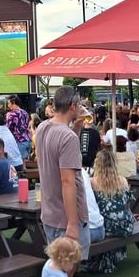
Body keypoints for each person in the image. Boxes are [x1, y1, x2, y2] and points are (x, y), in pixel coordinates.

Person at [34, 87, 89, 264]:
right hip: (66, 216)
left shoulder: (42, 127)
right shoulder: (67, 137)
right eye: (79, 104)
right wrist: (72, 223)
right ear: (73, 106)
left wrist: (77, 127)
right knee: (64, 270)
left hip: (49, 212)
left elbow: (60, 150)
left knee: (58, 268)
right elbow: (67, 181)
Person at [85, 147, 135, 275]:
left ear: (97, 163)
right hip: (125, 225)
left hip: (105, 227)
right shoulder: (122, 180)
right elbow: (127, 205)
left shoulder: (92, 182)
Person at [6, 95, 31, 164]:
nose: (8, 106)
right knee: (24, 165)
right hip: (27, 140)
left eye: (8, 103)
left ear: (13, 102)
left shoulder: (11, 114)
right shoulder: (25, 113)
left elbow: (8, 129)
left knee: (19, 166)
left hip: (18, 141)